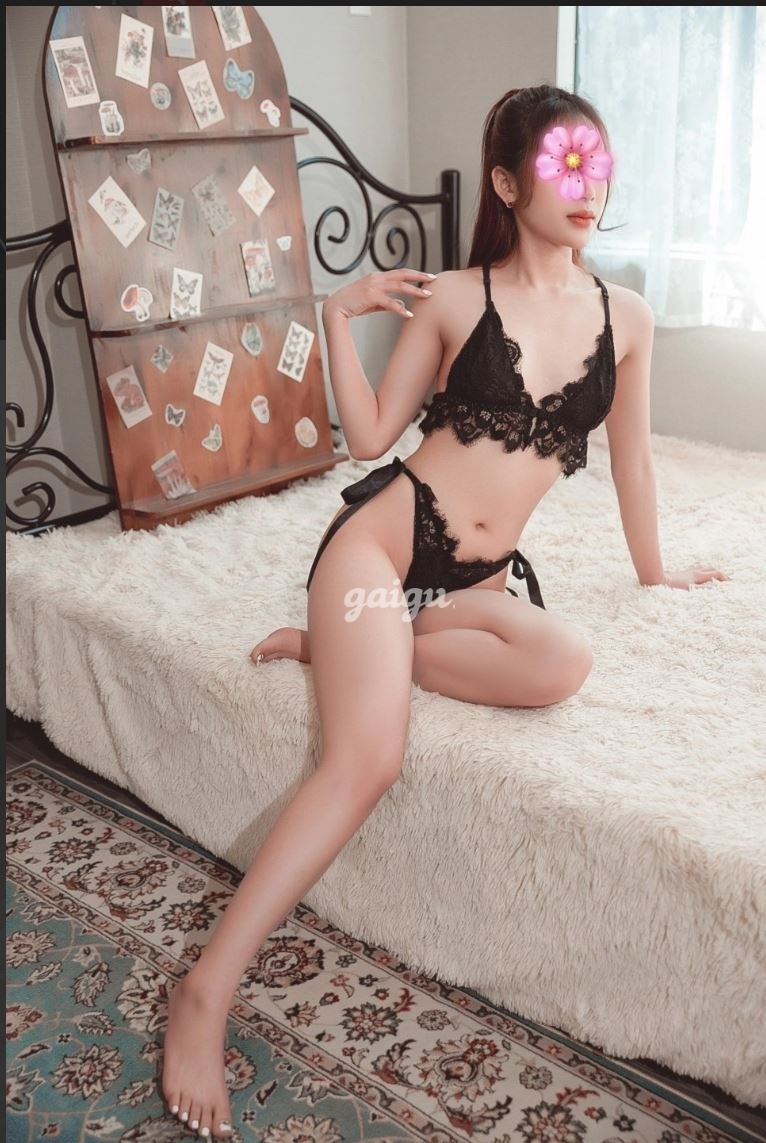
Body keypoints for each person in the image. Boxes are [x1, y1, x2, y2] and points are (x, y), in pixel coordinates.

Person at [160, 84, 730, 1138]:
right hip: (382, 548)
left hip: (473, 586)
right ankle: (204, 991)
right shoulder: (457, 298)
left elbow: (636, 465)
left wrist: (657, 575)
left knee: (562, 662)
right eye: (562, 165)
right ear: (509, 183)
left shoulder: (629, 318)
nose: (586, 186)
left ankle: (351, 650)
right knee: (367, 759)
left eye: (597, 165)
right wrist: (336, 316)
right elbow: (373, 434)